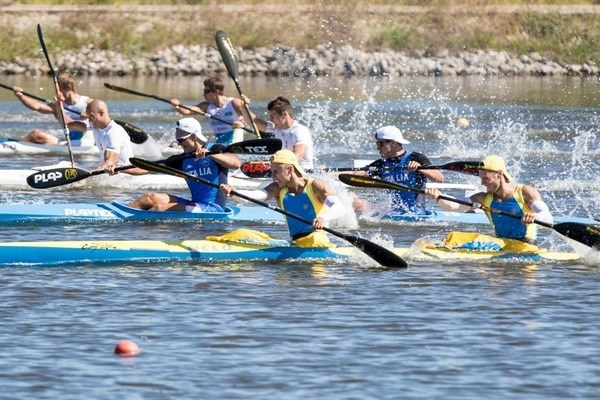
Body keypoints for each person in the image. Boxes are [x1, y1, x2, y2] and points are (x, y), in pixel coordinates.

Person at [219, 149, 345, 247]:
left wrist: (323, 218)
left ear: (290, 169)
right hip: (295, 243)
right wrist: (233, 193)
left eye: (276, 172)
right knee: (242, 233)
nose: (273, 177)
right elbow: (252, 196)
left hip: (317, 240)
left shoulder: (316, 185)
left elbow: (339, 208)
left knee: (316, 239)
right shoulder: (278, 189)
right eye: (271, 172)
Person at [425, 155, 554, 244]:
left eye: (486, 179)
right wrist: (438, 196)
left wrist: (535, 217)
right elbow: (454, 206)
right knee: (454, 237)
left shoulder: (525, 192)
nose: (482, 183)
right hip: (503, 244)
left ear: (500, 175)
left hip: (526, 246)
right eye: (481, 179)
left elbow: (548, 217)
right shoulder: (483, 198)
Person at [128, 117, 241, 212]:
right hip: (196, 204)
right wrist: (121, 169)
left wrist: (210, 155)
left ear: (194, 137)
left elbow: (235, 164)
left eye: (181, 140)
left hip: (212, 208)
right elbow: (146, 168)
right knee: (149, 198)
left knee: (159, 208)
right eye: (177, 140)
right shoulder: (181, 159)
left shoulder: (216, 149)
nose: (179, 144)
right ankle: (122, 213)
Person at [354, 125, 444, 214]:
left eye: (380, 144)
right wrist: (344, 175)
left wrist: (420, 168)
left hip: (415, 213)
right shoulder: (382, 164)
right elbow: (357, 173)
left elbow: (439, 178)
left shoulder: (416, 158)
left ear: (393, 143)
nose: (378, 148)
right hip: (393, 212)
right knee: (352, 198)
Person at [12, 73, 94, 146]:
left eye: (56, 89)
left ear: (63, 88)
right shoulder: (57, 105)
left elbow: (70, 124)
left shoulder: (89, 102)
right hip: (68, 142)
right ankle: (16, 146)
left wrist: (89, 114)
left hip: (86, 141)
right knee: (35, 135)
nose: (55, 92)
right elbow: (37, 106)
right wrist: (21, 96)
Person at [170, 76, 250, 145]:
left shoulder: (234, 103)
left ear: (217, 92)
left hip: (235, 138)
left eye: (206, 92)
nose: (204, 94)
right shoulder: (206, 106)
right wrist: (177, 106)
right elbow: (187, 111)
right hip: (219, 140)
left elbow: (249, 118)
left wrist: (242, 122)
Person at [86, 99, 135, 174]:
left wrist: (92, 173)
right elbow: (71, 124)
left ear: (101, 112)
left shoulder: (114, 132)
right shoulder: (95, 126)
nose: (89, 120)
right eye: (88, 116)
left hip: (123, 173)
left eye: (91, 116)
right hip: (105, 169)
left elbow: (109, 161)